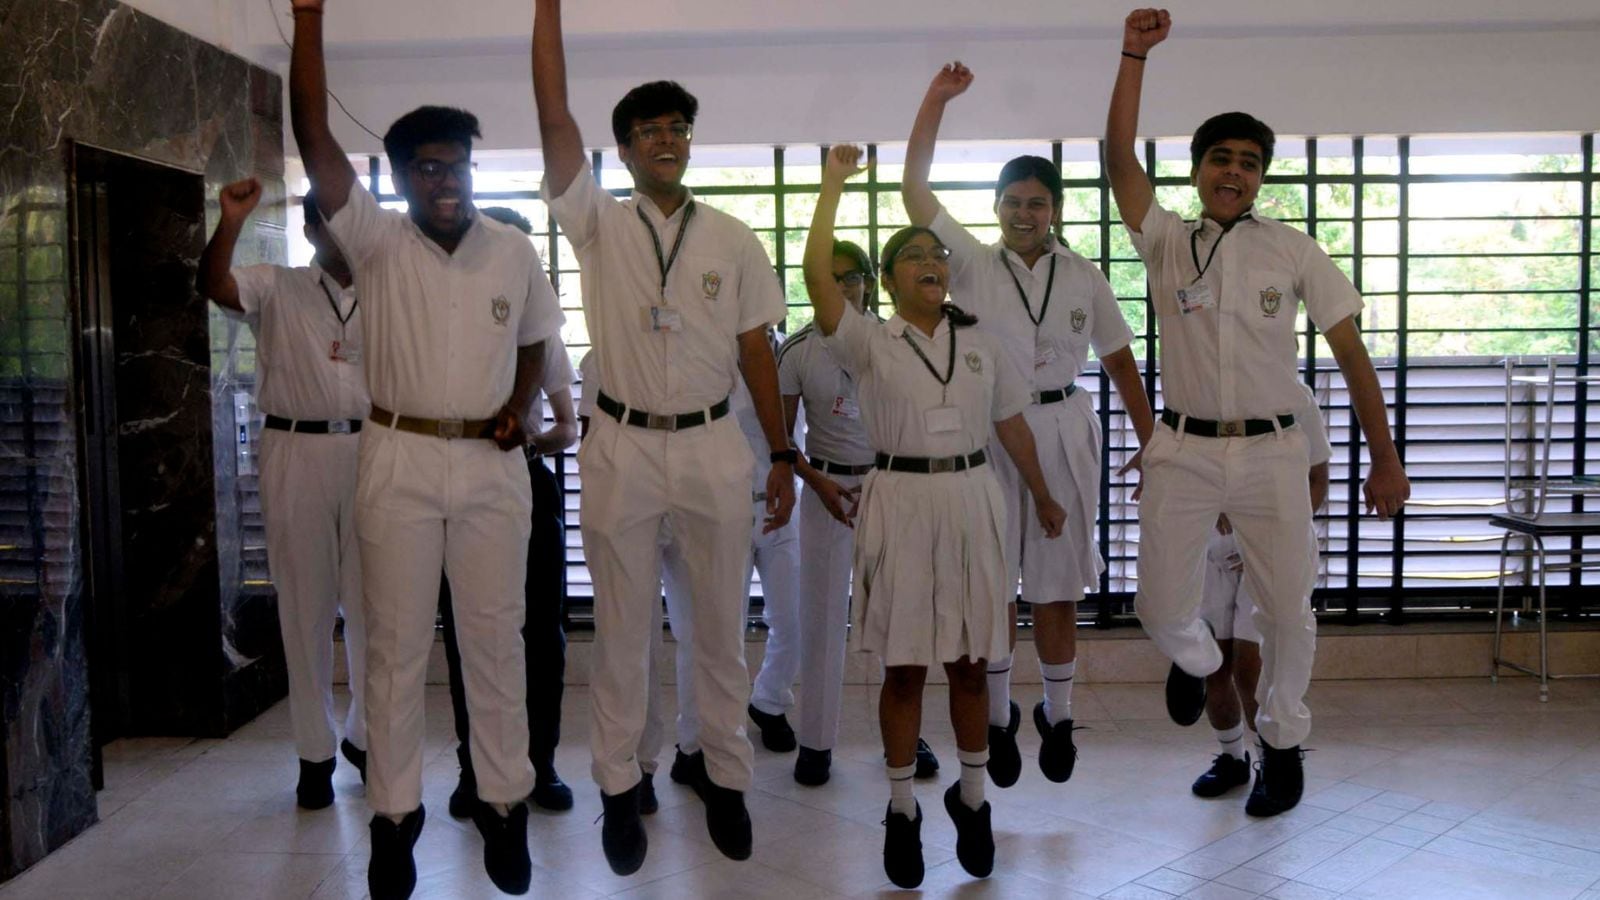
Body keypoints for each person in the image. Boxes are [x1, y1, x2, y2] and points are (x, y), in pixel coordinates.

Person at [289, 3, 565, 897]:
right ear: (402, 177)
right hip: (398, 459)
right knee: (396, 649)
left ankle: (503, 805)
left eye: (457, 165)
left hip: (490, 467)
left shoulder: (515, 251)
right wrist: (307, 22)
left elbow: (533, 339)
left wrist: (522, 409)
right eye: (427, 168)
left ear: (474, 171)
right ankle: (395, 818)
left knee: (496, 642)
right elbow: (313, 134)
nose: (445, 180)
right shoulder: (373, 241)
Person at [1107, 7, 1410, 819]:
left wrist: (1385, 457)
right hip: (1184, 449)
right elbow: (1117, 161)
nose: (1232, 172)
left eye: (1247, 162)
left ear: (1260, 175)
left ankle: (1279, 741)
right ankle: (1198, 658)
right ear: (1199, 168)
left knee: (1287, 611)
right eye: (1219, 159)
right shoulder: (1168, 241)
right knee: (1157, 606)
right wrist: (1134, 54)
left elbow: (1350, 356)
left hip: (1275, 452)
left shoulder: (1293, 249)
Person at [532, 0, 797, 874]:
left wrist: (784, 454)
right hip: (622, 445)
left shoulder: (731, 237)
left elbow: (758, 349)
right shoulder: (598, 222)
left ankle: (725, 779)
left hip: (718, 444)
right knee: (622, 631)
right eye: (649, 131)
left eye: (678, 128)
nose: (667, 140)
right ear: (625, 148)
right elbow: (554, 114)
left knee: (720, 628)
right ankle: (618, 787)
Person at [806, 144, 1067, 889]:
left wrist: (1044, 493)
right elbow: (817, 274)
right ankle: (899, 808)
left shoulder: (983, 341)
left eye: (937, 254)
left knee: (969, 660)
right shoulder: (866, 339)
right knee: (903, 666)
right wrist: (831, 185)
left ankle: (974, 799)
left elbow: (1013, 423)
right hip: (900, 500)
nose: (931, 260)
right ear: (888, 282)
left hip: (974, 495)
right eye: (912, 255)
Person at [902, 63, 1156, 788]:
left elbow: (1119, 360)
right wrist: (935, 99)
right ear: (996, 207)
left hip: (1065, 425)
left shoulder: (1084, 276)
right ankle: (1004, 717)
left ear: (1056, 209)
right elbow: (914, 192)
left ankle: (1059, 713)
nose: (1024, 214)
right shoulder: (974, 266)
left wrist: (1150, 439)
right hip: (988, 437)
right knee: (993, 583)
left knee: (1058, 582)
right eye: (1012, 202)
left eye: (1037, 204)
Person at [196, 180, 369, 810]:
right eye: (329, 223)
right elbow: (216, 286)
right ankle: (314, 753)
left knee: (375, 607)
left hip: (374, 450)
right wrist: (232, 220)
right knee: (305, 607)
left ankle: (366, 737)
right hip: (295, 448)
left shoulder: (390, 290)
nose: (343, 235)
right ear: (313, 231)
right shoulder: (279, 283)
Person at [778, 241, 941, 787]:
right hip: (827, 491)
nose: (842, 288)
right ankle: (816, 743)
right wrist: (818, 482)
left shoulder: (899, 343)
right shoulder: (798, 349)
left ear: (870, 282)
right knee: (822, 620)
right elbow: (782, 439)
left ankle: (907, 737)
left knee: (902, 622)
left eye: (851, 277)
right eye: (830, 278)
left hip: (891, 488)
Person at [438, 208, 580, 818]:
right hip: (451, 494)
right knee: (466, 634)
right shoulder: (442, 333)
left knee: (540, 633)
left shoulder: (538, 335)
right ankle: (475, 770)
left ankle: (539, 763)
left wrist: (527, 434)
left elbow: (568, 428)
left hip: (525, 487)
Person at [1193, 384, 1330, 801]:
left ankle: (1273, 758)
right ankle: (1231, 757)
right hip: (1213, 551)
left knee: (1250, 666)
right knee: (1214, 664)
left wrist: (1270, 537)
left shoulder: (1297, 400)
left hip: (1270, 547)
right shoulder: (1201, 394)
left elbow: (1317, 479)